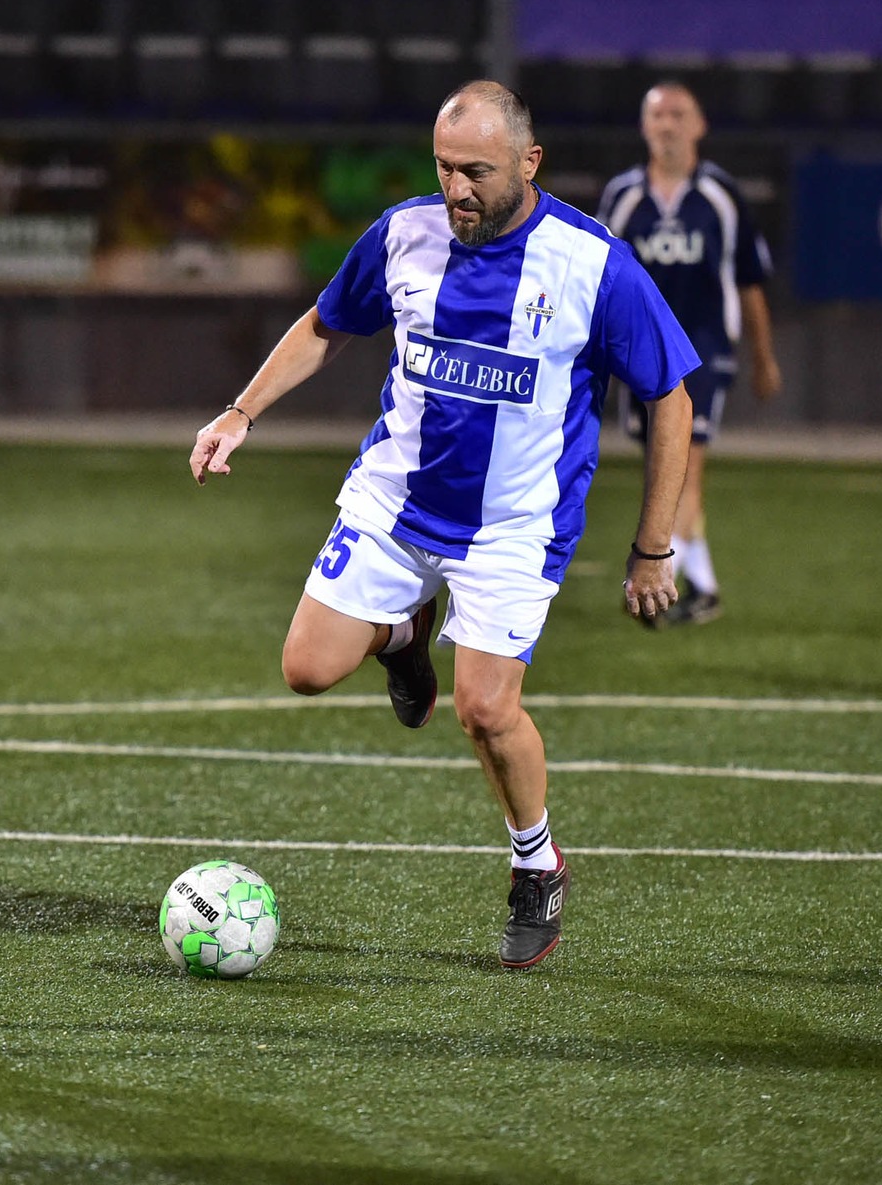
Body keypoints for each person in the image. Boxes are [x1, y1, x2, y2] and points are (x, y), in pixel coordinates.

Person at [189, 81, 698, 968]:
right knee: (306, 669)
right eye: (444, 167)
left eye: (477, 172)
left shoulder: (592, 264)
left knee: (487, 709)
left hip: (514, 527)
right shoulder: (404, 234)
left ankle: (535, 865)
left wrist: (653, 547)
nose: (457, 189)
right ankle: (402, 636)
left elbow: (671, 398)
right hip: (395, 500)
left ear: (529, 163)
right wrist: (241, 411)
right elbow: (326, 324)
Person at [595, 81, 782, 626]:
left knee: (684, 467)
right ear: (644, 125)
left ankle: (661, 577)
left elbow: (750, 280)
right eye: (657, 114)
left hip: (703, 350)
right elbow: (600, 280)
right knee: (663, 469)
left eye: (678, 114)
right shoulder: (623, 196)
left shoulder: (721, 196)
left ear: (699, 125)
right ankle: (702, 585)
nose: (668, 124)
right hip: (639, 353)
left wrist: (763, 357)